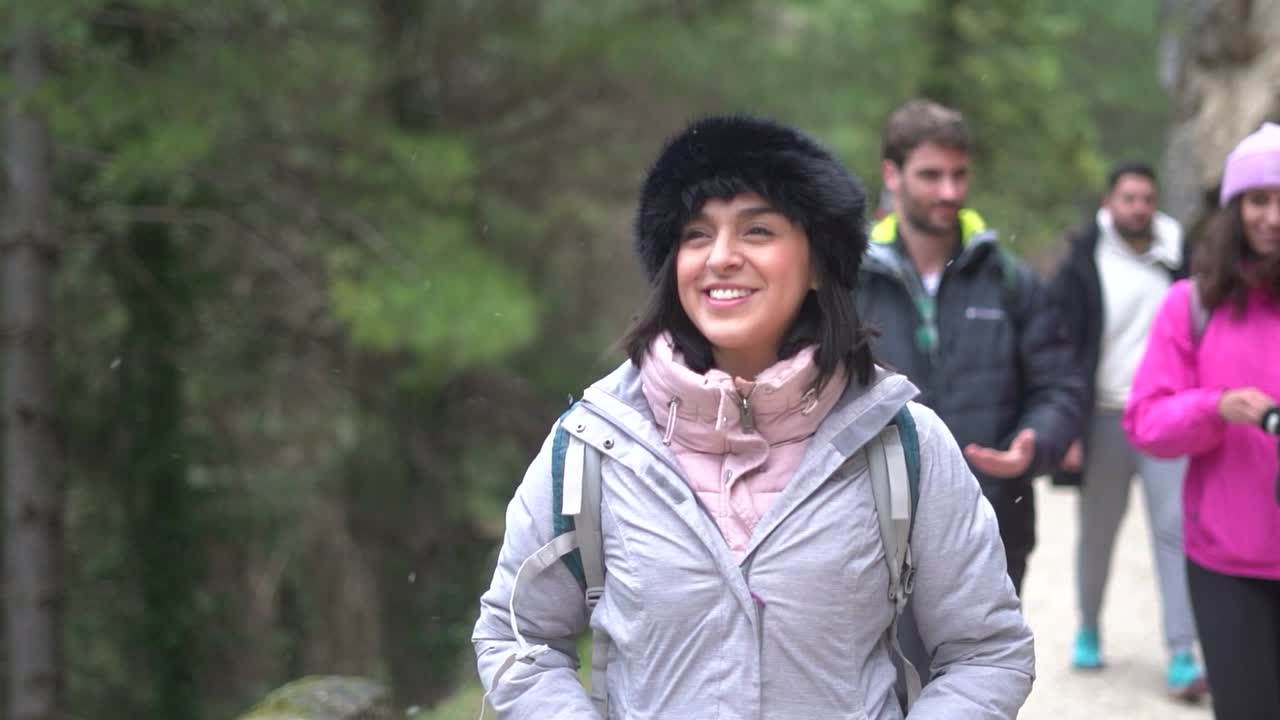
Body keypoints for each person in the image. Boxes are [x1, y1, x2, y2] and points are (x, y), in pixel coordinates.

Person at [472, 115, 1034, 719]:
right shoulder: (593, 445)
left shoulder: (905, 444)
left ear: (819, 262)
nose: (721, 258)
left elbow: (986, 652)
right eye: (695, 234)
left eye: (757, 230)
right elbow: (517, 638)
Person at [856, 98, 1084, 595]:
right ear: (892, 175)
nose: (950, 191)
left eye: (959, 175)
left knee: (985, 669)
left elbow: (1060, 386)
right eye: (931, 175)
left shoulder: (1009, 278)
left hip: (991, 521)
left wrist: (1034, 443)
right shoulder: (849, 283)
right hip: (869, 528)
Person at [1124, 122, 1280, 720]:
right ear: (1234, 209)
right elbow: (1146, 422)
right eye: (1257, 201)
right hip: (1228, 560)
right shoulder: (1190, 305)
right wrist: (1215, 406)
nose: (1270, 216)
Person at [1047, 162, 1207, 698]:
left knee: (1175, 530)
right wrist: (1067, 424)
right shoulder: (1084, 261)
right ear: (1109, 202)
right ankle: (1088, 627)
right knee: (1099, 530)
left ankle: (1182, 652)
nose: (1138, 207)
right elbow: (1064, 346)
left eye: (1146, 198)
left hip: (1166, 415)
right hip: (1104, 415)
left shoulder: (1176, 255)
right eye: (1128, 197)